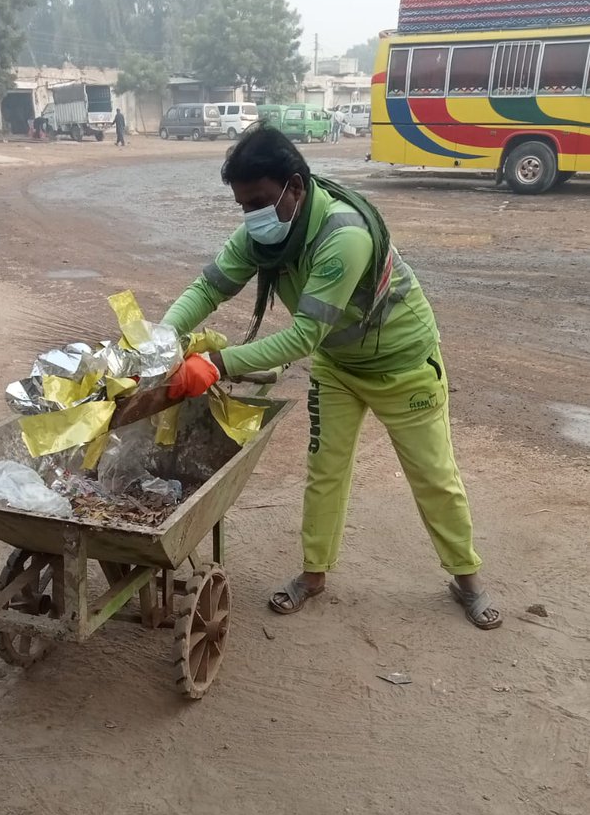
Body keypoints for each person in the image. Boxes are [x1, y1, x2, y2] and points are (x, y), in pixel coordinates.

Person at [161, 125, 501, 629]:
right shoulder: (264, 234)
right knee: (325, 471)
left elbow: (303, 337)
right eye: (243, 206)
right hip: (339, 367)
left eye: (258, 201)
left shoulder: (344, 237)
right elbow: (208, 289)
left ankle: (466, 578)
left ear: (295, 187)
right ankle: (313, 574)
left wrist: (215, 364)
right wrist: (159, 338)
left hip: (404, 366)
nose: (251, 216)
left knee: (433, 476)